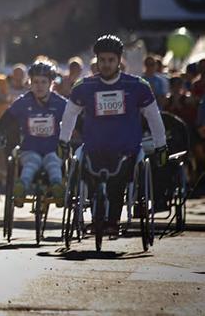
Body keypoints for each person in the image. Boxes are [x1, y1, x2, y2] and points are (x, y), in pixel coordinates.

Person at [58, 35, 168, 235]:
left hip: (127, 149)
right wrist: (63, 141)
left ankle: (112, 221)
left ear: (119, 61)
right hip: (94, 147)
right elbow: (69, 114)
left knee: (117, 182)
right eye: (102, 60)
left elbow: (153, 117)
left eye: (111, 60)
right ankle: (96, 218)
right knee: (89, 176)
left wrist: (161, 145)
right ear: (97, 61)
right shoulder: (84, 86)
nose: (106, 64)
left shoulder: (138, 86)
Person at [0, 61, 67, 205]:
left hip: (52, 149)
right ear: (30, 83)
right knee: (31, 163)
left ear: (51, 83)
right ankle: (21, 187)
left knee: (53, 163)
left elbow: (75, 120)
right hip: (30, 148)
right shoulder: (23, 102)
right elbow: (5, 119)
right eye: (35, 82)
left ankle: (58, 187)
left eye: (43, 82)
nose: (39, 86)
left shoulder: (60, 103)